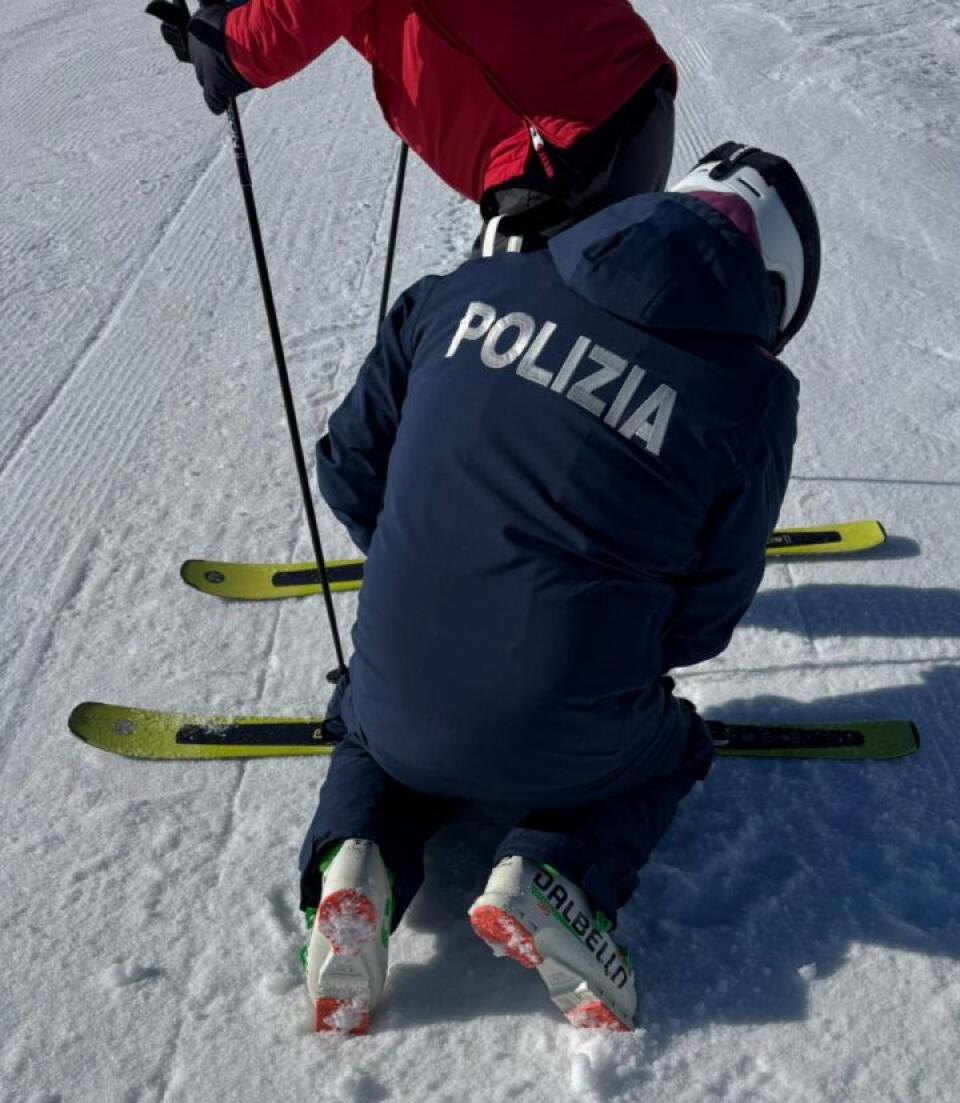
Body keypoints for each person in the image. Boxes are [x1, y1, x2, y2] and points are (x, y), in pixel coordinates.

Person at [299, 143, 820, 1035]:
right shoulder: (751, 397)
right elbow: (705, 618)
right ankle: (557, 873)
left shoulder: (461, 289)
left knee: (373, 728)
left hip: (399, 687)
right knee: (670, 749)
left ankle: (358, 860)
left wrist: (434, 555)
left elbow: (349, 472)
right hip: (568, 725)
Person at [157, 0, 677, 249]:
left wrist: (223, 43)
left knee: (494, 412)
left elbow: (293, 20)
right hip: (625, 95)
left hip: (563, 151)